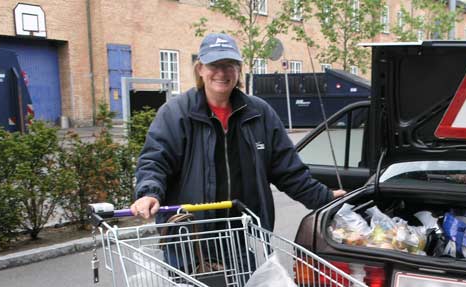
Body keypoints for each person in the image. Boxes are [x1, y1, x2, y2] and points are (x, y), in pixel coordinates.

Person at [130, 32, 345, 229]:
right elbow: (155, 161)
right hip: (189, 235)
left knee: (249, 272)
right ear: (200, 69)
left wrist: (324, 198)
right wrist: (149, 193)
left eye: (229, 64)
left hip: (242, 235)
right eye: (214, 64)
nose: (222, 72)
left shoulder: (260, 114)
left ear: (239, 69)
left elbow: (287, 169)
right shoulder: (176, 113)